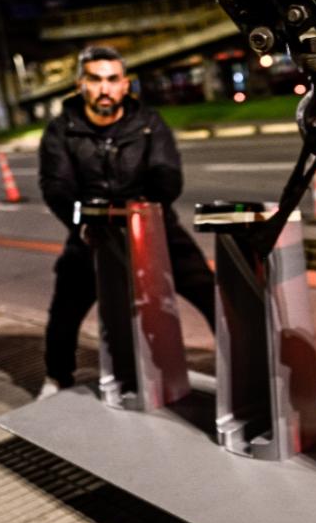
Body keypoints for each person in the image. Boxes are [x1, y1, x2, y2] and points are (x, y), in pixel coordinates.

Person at [37, 45, 214, 398]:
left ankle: (241, 365)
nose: (105, 89)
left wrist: (147, 210)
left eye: (112, 79)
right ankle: (57, 377)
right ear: (80, 84)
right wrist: (81, 224)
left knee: (210, 292)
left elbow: (167, 173)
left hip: (153, 225)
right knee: (65, 308)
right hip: (92, 230)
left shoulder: (149, 123)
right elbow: (56, 187)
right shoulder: (61, 130)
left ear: (125, 84)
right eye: (96, 80)